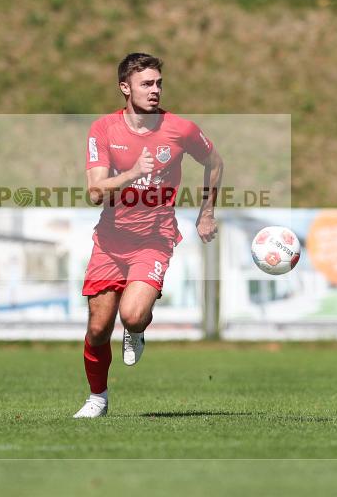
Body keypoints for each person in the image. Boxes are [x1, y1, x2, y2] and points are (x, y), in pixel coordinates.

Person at [73, 53, 224, 418]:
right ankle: (98, 398)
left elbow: (214, 162)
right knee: (96, 328)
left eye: (158, 83)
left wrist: (206, 213)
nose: (155, 90)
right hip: (110, 241)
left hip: (154, 239)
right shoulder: (104, 129)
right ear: (125, 88)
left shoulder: (181, 129)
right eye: (146, 84)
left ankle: (137, 330)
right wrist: (131, 174)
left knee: (134, 316)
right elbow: (95, 191)